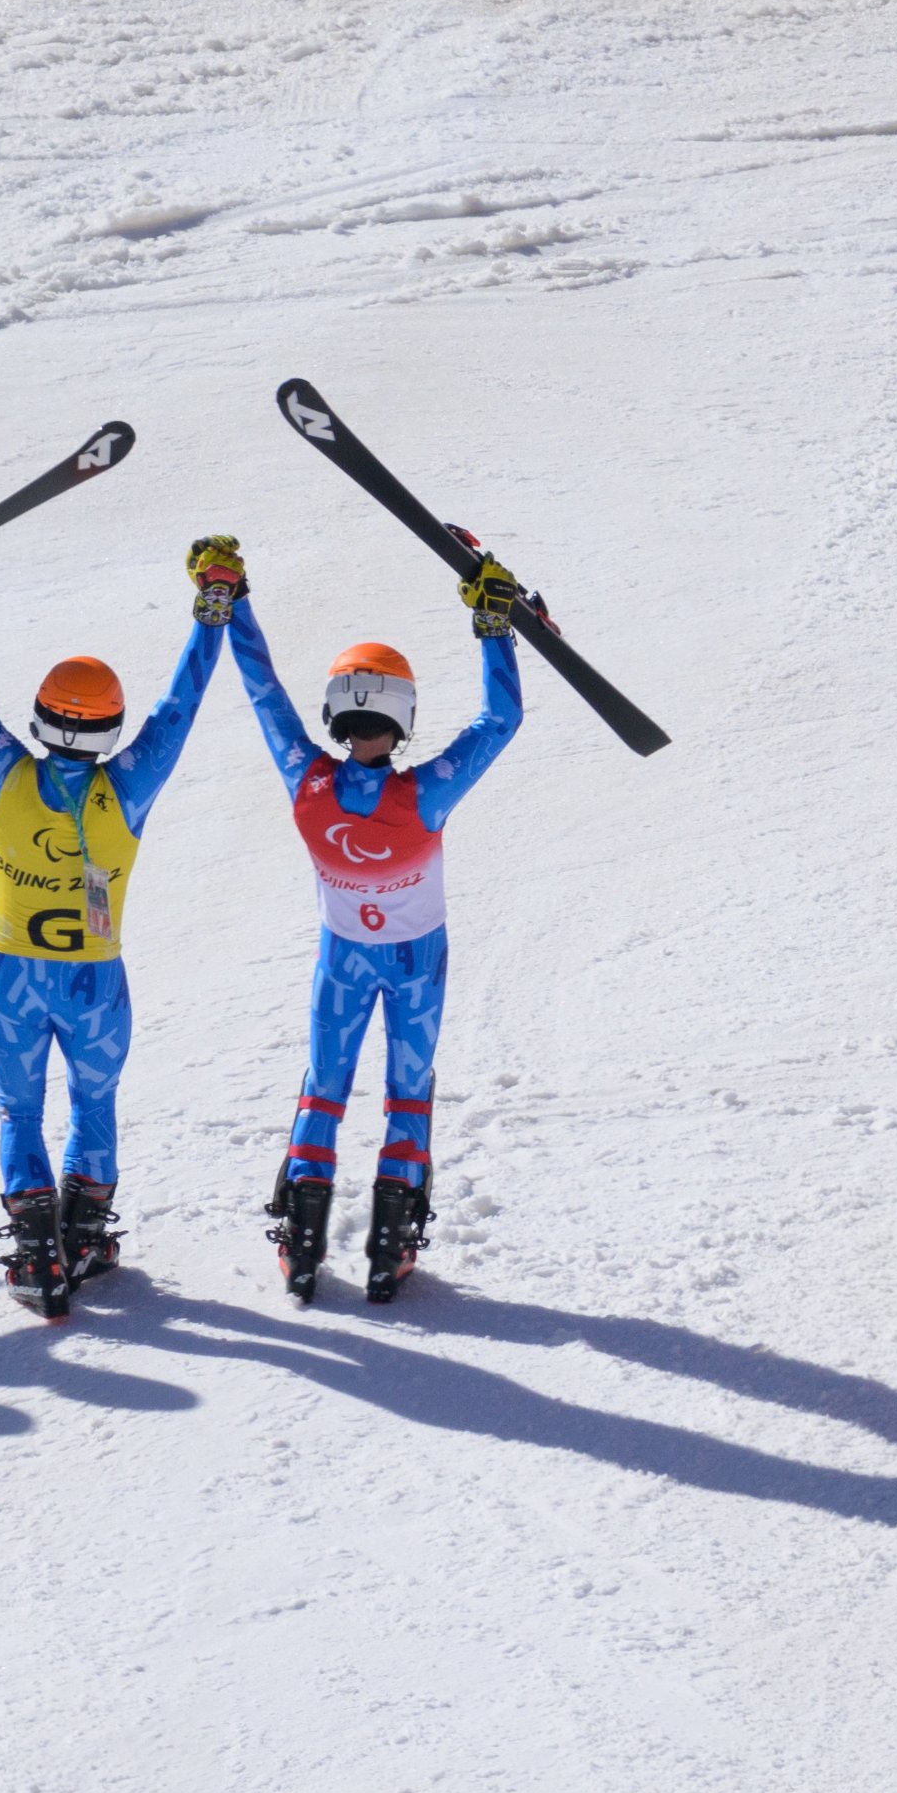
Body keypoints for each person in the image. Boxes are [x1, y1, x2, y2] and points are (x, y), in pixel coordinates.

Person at [0, 499, 227, 1315]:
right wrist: (212, 608)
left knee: (19, 1105)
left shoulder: (2, 773)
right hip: (94, 984)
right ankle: (83, 1228)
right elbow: (178, 711)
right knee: (93, 1100)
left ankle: (37, 1243)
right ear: (110, 728)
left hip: (12, 974)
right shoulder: (129, 787)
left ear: (43, 716)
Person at [217, 533, 526, 1302]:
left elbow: (263, 691)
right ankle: (390, 1252)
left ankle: (303, 1239)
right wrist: (494, 626)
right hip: (418, 960)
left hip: (343, 958)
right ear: (405, 714)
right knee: (408, 1090)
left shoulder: (306, 780)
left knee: (324, 1088)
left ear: (335, 712)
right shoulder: (427, 793)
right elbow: (502, 718)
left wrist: (235, 602)